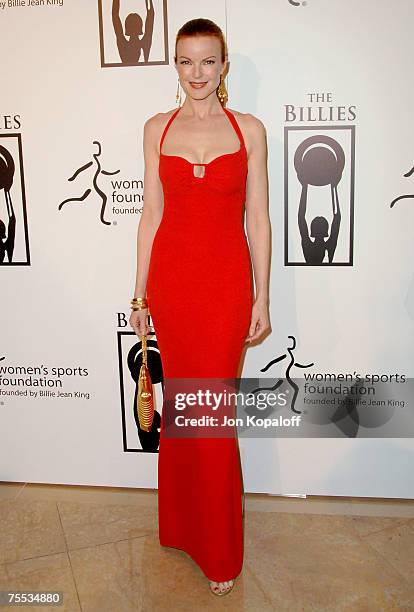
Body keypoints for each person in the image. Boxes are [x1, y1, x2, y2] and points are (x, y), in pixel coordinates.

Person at [129, 18, 271, 597]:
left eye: (207, 61)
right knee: (183, 411)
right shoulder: (156, 129)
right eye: (186, 61)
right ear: (176, 66)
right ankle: (183, 529)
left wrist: (263, 292)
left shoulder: (251, 130)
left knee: (210, 414)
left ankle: (219, 549)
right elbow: (150, 215)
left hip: (225, 288)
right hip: (173, 286)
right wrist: (139, 294)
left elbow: (257, 218)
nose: (196, 73)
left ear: (224, 65)